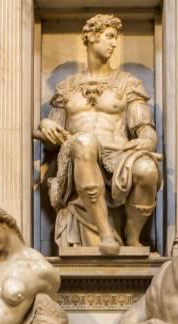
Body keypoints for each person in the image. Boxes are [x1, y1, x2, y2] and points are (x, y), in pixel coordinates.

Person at [35, 14, 162, 254]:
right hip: (79, 156)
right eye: (109, 37)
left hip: (118, 155)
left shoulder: (128, 83)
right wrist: (44, 125)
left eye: (115, 38)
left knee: (146, 170)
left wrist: (147, 141)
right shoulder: (67, 87)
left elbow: (145, 129)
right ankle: (106, 235)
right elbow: (54, 142)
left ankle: (132, 238)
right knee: (84, 142)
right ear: (91, 37)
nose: (114, 44)